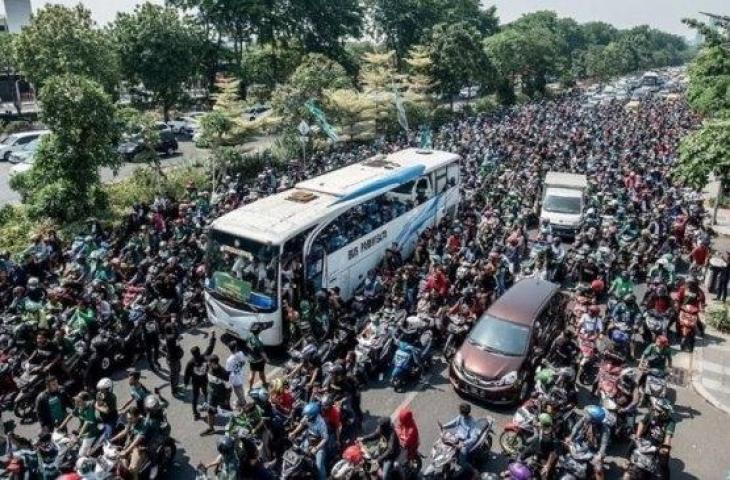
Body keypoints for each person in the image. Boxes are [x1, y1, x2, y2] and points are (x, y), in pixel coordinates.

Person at [568, 405, 610, 480]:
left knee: (598, 469)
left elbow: (604, 444)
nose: (584, 416)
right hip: (581, 444)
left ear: (593, 420)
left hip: (594, 450)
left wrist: (599, 455)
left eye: (587, 415)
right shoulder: (584, 420)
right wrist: (570, 437)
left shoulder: (605, 429)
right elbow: (576, 427)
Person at [289, 402, 329, 480]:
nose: (306, 417)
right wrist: (293, 433)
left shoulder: (321, 423)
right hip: (309, 439)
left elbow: (325, 439)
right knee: (298, 453)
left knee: (319, 466)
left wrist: (316, 448)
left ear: (313, 416)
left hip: (318, 443)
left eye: (308, 416)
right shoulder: (307, 417)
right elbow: (301, 424)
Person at [183, 332, 216, 420]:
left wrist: (186, 383)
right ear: (199, 351)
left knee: (195, 397)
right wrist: (213, 337)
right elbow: (210, 348)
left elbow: (186, 374)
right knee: (206, 394)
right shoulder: (204, 357)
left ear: (192, 354)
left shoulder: (190, 363)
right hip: (204, 380)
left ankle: (195, 413)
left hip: (195, 382)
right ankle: (208, 408)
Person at [441, 403, 479, 475]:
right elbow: (454, 422)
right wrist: (444, 426)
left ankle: (474, 472)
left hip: (465, 443)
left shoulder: (472, 423)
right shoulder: (460, 417)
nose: (459, 412)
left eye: (460, 411)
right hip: (457, 438)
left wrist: (463, 444)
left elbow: (474, 438)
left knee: (462, 462)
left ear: (463, 413)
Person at [517, 413, 559, 479]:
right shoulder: (547, 427)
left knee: (544, 475)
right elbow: (537, 424)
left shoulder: (548, 439)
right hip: (537, 447)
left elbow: (553, 453)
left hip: (544, 457)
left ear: (543, 424)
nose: (538, 423)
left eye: (540, 421)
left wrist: (547, 466)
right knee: (523, 455)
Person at [60, 391, 100, 457]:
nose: (76, 402)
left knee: (81, 454)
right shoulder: (79, 407)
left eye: (79, 401)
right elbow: (70, 415)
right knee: (68, 442)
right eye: (76, 400)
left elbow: (86, 424)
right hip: (83, 431)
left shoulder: (89, 409)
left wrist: (79, 436)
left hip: (91, 433)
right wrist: (61, 426)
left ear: (85, 401)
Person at [202, 354, 230, 436]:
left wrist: (227, 399)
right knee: (210, 411)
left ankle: (233, 428)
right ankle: (211, 429)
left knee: (226, 412)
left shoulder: (223, 373)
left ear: (215, 363)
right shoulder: (208, 367)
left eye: (209, 362)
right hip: (211, 394)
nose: (208, 363)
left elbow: (228, 386)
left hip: (220, 395)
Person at [244, 324, 269, 394]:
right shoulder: (258, 342)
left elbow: (246, 344)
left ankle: (250, 388)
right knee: (261, 372)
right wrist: (267, 359)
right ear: (258, 332)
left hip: (251, 359)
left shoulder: (249, 335)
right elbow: (262, 353)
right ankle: (264, 383)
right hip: (259, 360)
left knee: (252, 374)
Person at [163, 325, 184, 397]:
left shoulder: (171, 337)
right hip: (172, 360)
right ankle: (174, 392)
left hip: (175, 359)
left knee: (177, 372)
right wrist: (174, 325)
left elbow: (177, 337)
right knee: (173, 375)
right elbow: (176, 335)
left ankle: (176, 387)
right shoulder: (169, 337)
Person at [225, 339, 247, 406]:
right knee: (241, 388)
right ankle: (241, 399)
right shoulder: (241, 353)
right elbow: (244, 362)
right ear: (236, 347)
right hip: (241, 374)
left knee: (237, 391)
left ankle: (242, 402)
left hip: (235, 379)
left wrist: (228, 383)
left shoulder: (229, 360)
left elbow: (228, 372)